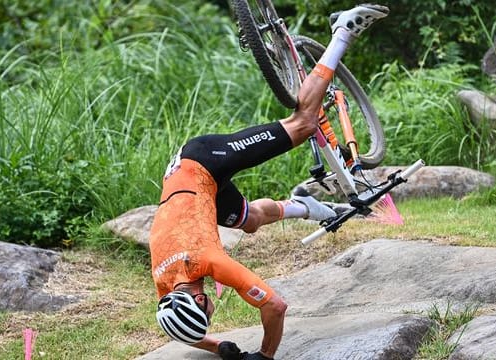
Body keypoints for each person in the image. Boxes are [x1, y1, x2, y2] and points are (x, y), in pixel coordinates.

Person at [149, 4, 389, 360]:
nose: (212, 319)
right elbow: (180, 327)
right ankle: (309, 207)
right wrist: (219, 347)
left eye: (208, 317)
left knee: (304, 121)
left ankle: (343, 32)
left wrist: (263, 355)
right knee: (250, 221)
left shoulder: (207, 261)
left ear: (200, 299)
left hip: (202, 160)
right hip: (195, 191)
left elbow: (275, 307)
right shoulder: (166, 285)